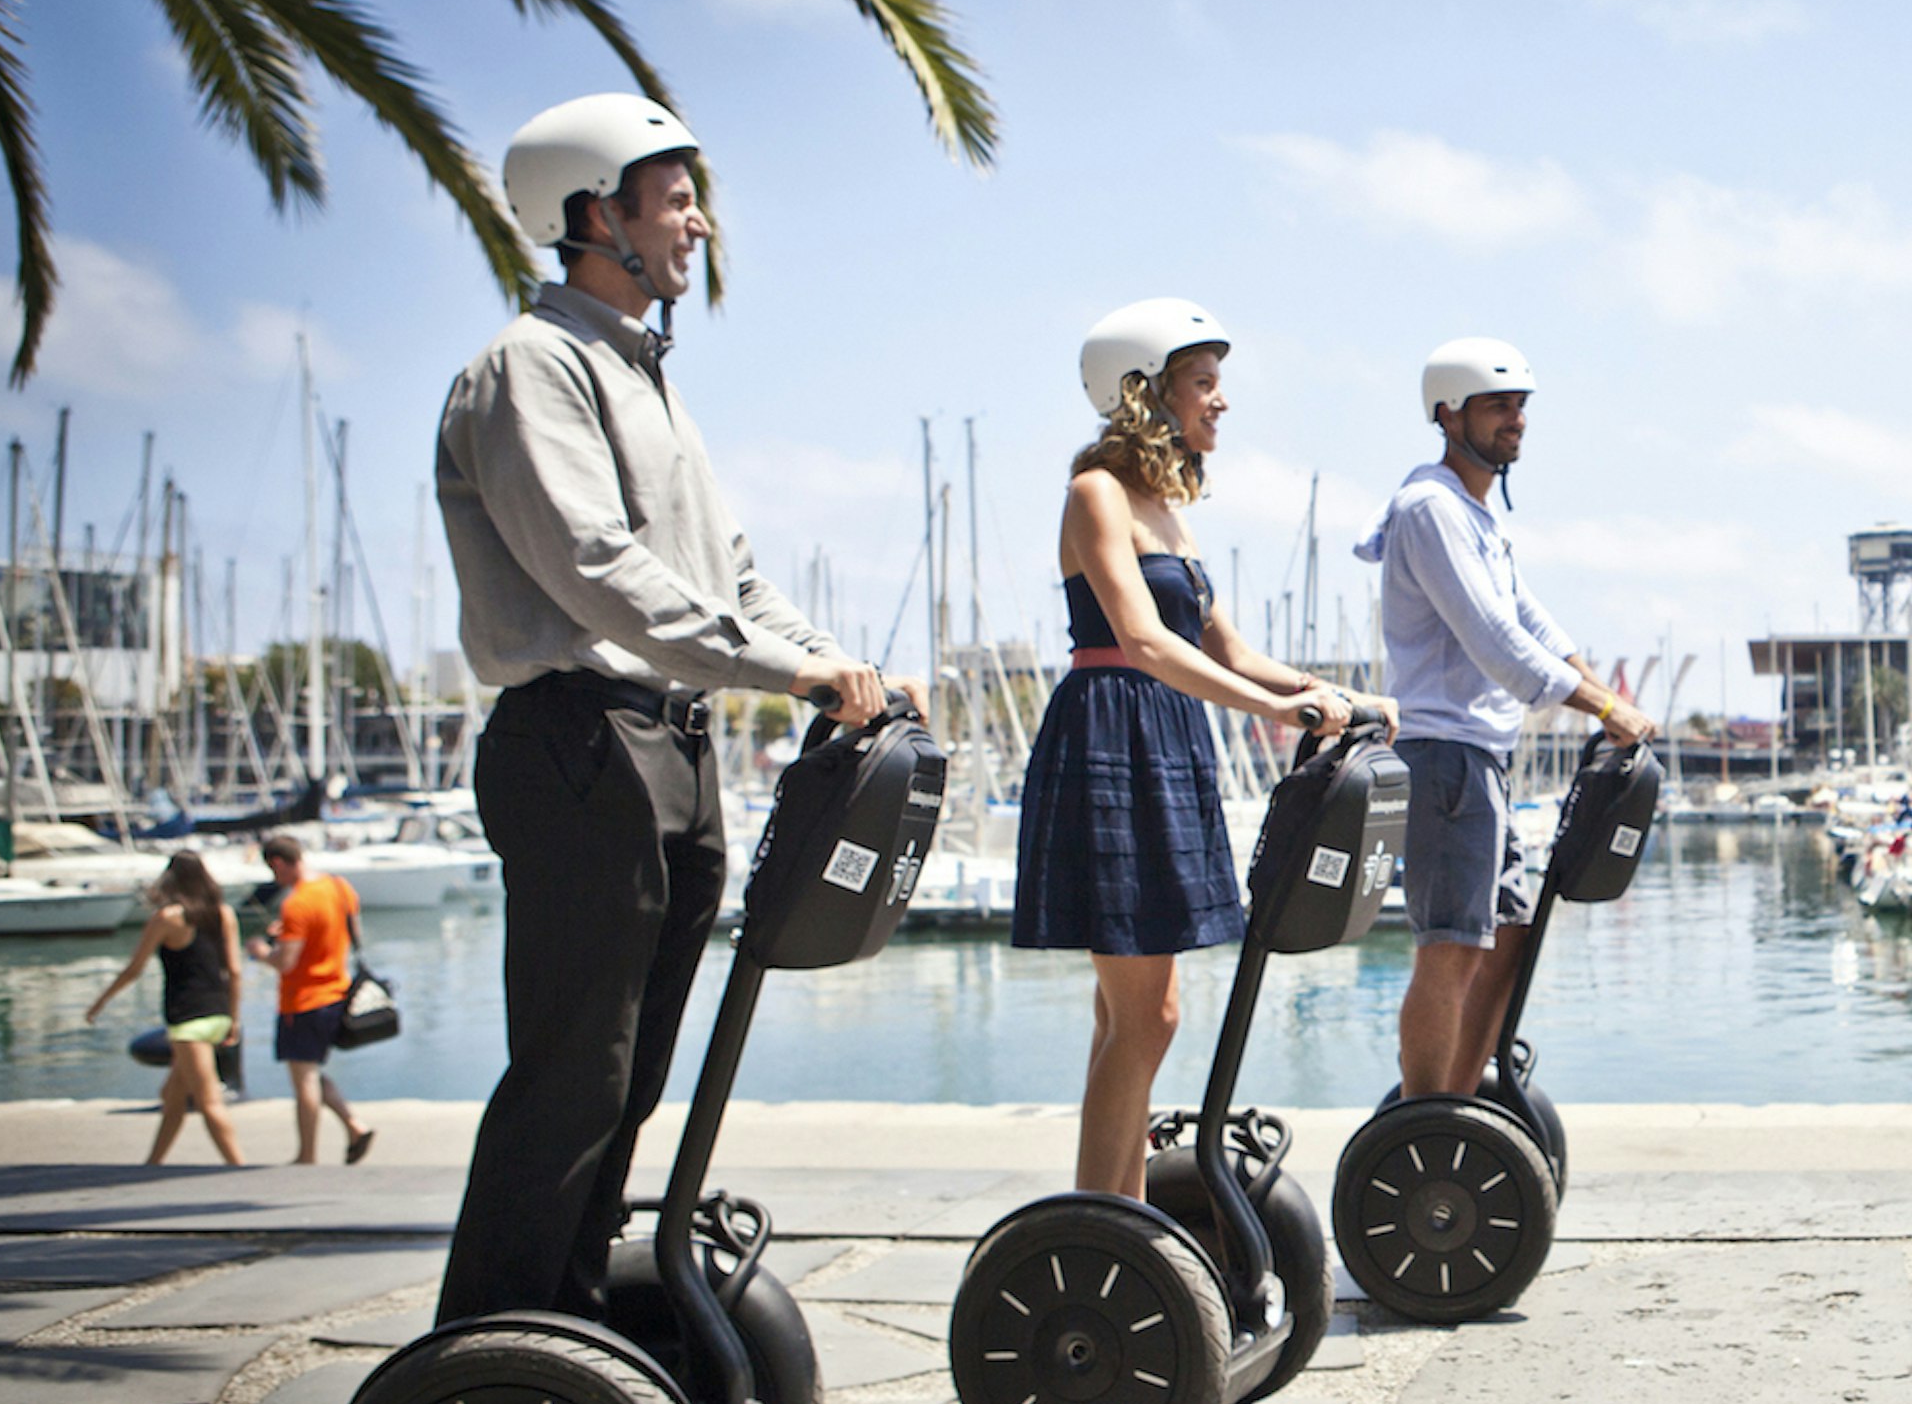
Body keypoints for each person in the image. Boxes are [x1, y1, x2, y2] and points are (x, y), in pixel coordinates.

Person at [431, 92, 897, 1325]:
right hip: (580, 742)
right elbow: (593, 567)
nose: (698, 227)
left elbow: (731, 581)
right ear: (597, 214)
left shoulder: (647, 383)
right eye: (676, 201)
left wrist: (842, 665)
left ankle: (572, 1327)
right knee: (573, 1075)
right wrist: (782, 674)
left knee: (632, 1079)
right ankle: (491, 1347)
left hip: (668, 747)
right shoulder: (532, 370)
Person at [1012, 298, 1397, 1202]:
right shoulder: (1096, 493)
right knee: (1147, 1018)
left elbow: (1228, 650)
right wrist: (1274, 711)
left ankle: (1117, 1216)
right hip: (1114, 731)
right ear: (1145, 393)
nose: (1220, 402)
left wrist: (1328, 693)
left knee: (1136, 1016)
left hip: (1168, 733)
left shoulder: (1170, 511)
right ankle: (1107, 1221)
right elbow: (1142, 639)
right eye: (1204, 383)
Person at [1354, 336, 1656, 1101]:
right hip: (1444, 759)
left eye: (1521, 405)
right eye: (1498, 405)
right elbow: (1498, 646)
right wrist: (1607, 708)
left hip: (1481, 762)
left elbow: (1541, 632)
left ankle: (1457, 1104)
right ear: (1448, 413)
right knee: (1450, 949)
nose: (1515, 419)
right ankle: (1421, 1125)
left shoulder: (1479, 518)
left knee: (1510, 936)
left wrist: (1616, 703)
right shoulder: (1430, 510)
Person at [87, 851, 245, 1166]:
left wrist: (101, 1001)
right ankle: (152, 1165)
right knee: (173, 1098)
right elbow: (235, 971)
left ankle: (240, 1167)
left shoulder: (167, 918)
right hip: (217, 1012)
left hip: (188, 1018)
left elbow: (134, 969)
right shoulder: (223, 913)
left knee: (208, 1102)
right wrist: (234, 1019)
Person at [245, 834, 375, 1165]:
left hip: (304, 1000)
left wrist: (261, 953)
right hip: (338, 991)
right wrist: (289, 934)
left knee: (303, 1079)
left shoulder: (297, 903)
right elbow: (352, 932)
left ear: (278, 863)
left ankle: (307, 1155)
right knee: (313, 1071)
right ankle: (353, 1126)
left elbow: (285, 961)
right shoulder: (338, 887)